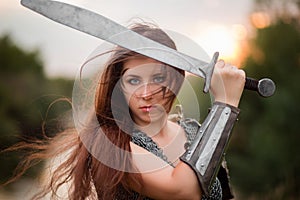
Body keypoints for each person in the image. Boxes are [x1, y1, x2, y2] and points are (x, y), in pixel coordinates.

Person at [3, 22, 245, 200]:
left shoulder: (196, 131)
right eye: (134, 81)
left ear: (176, 79)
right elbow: (184, 190)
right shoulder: (113, 144)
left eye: (158, 78)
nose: (146, 92)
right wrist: (225, 105)